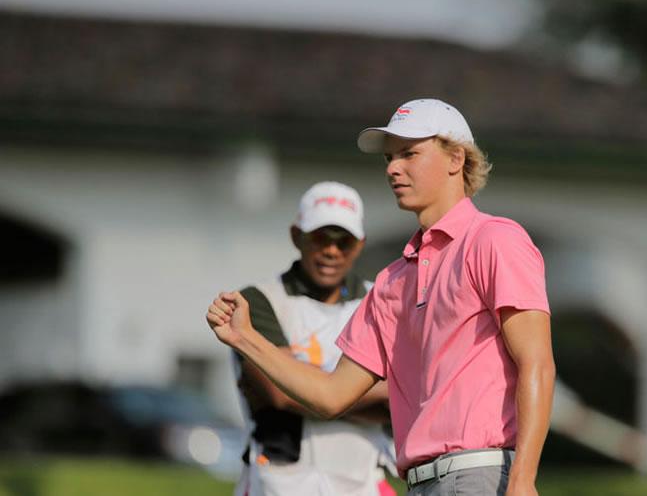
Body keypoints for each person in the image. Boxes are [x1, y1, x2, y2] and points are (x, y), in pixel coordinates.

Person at [207, 98, 556, 496]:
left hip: (480, 474)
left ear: (456, 159)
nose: (393, 168)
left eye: (410, 154)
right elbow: (331, 396)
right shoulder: (392, 281)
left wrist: (524, 479)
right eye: (390, 158)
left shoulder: (495, 240)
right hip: (418, 483)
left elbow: (537, 364)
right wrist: (244, 338)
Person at [230, 181, 397, 496]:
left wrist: (307, 385)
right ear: (297, 237)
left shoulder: (384, 299)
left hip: (364, 482)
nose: (331, 251)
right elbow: (280, 393)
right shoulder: (258, 300)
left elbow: (410, 392)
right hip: (278, 483)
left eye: (343, 241)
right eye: (320, 237)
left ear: (360, 244)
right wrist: (378, 394)